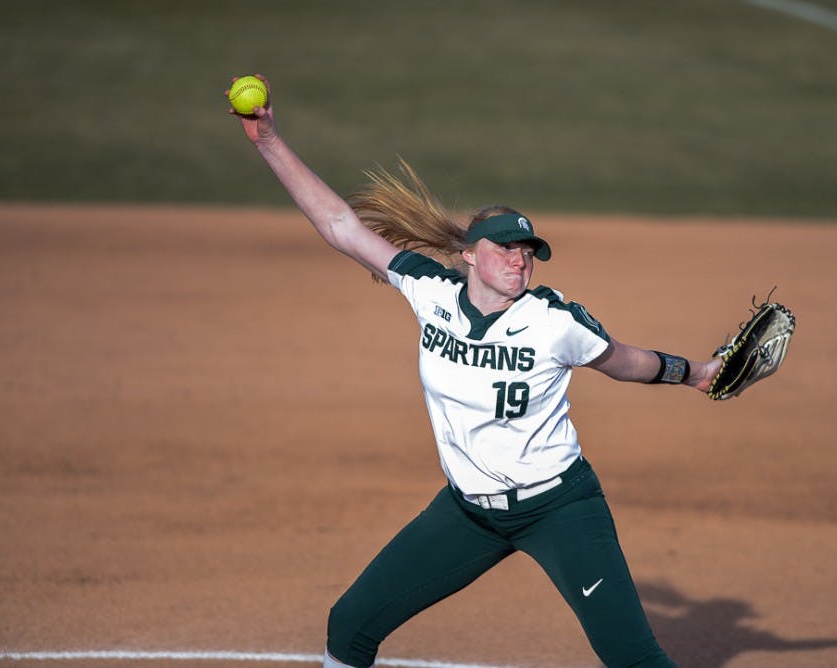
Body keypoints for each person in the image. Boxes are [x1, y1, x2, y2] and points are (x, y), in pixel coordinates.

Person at [227, 75, 721, 668]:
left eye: (528, 251)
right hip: (468, 514)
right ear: (468, 256)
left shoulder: (553, 320)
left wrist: (693, 372)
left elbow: (624, 361)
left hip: (561, 508)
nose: (519, 259)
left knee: (634, 658)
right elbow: (341, 227)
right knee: (350, 625)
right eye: (505, 248)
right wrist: (268, 141)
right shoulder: (428, 289)